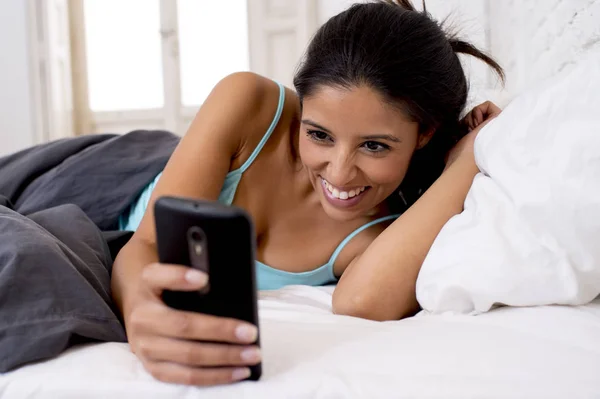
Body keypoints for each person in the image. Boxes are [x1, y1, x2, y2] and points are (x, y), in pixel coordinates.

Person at [111, 0, 504, 387]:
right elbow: (145, 242)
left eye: (375, 146)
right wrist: (139, 309)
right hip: (116, 187)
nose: (339, 172)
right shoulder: (247, 105)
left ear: (424, 135)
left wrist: (468, 158)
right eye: (319, 135)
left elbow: (359, 303)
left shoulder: (375, 232)